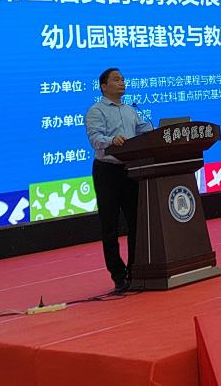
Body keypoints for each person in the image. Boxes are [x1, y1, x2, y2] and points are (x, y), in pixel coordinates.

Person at [85, 68, 153, 294]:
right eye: (116, 79)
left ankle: (135, 270)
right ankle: (118, 276)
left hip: (130, 170)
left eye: (123, 79)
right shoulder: (96, 111)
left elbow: (142, 131)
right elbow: (96, 139)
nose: (122, 82)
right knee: (110, 225)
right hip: (107, 171)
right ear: (104, 86)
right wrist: (112, 140)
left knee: (136, 223)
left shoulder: (130, 110)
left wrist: (157, 131)